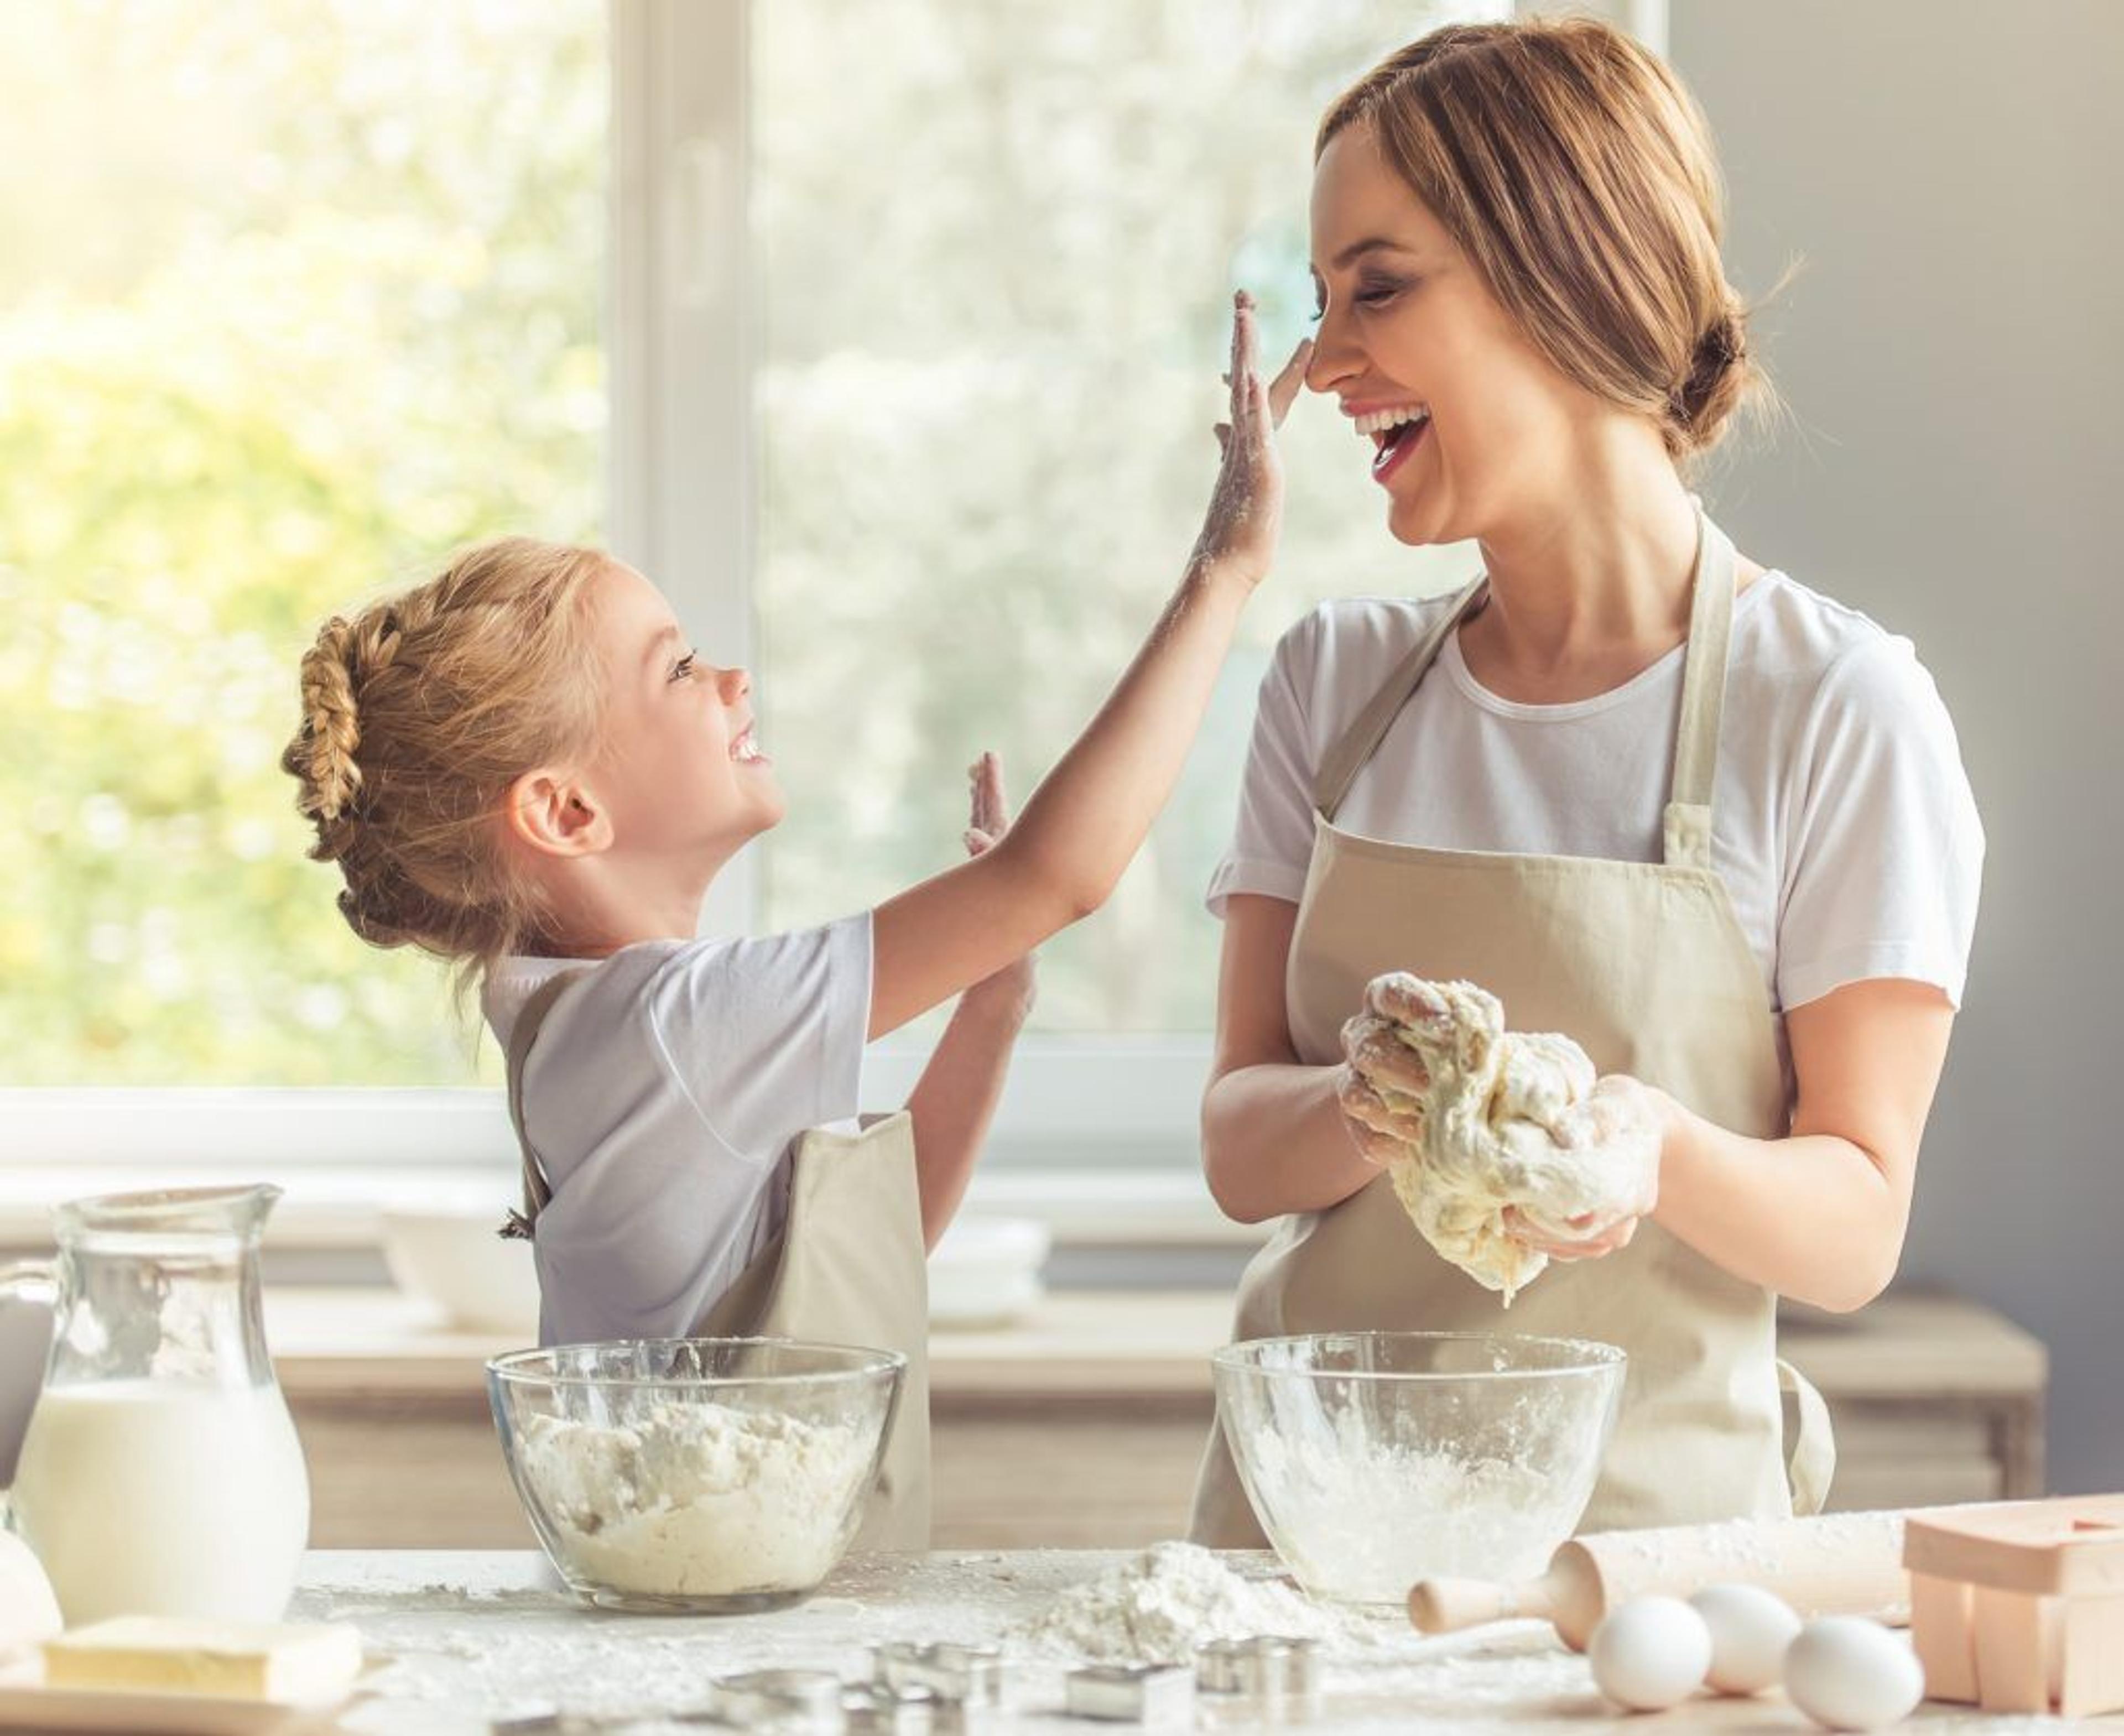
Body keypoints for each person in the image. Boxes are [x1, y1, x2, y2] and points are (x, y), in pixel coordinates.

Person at [284, 294, 1309, 1547]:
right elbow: (1061, 873)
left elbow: (866, 1258)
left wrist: (994, 1002)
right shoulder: (677, 1024)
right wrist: (1226, 569)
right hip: (728, 1629)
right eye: (673, 667)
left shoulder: (594, 1028)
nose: (731, 679)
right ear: (564, 810)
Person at [1190, 18, 1982, 1545]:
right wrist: (1388, 1101)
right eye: (1321, 299)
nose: (1330, 361)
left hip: (1641, 1582)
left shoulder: (1833, 708)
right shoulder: (1332, 686)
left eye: (1380, 286)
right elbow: (1236, 1142)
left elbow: (1856, 1222)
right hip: (1306, 1555)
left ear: (1565, 268)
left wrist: (1648, 1141)